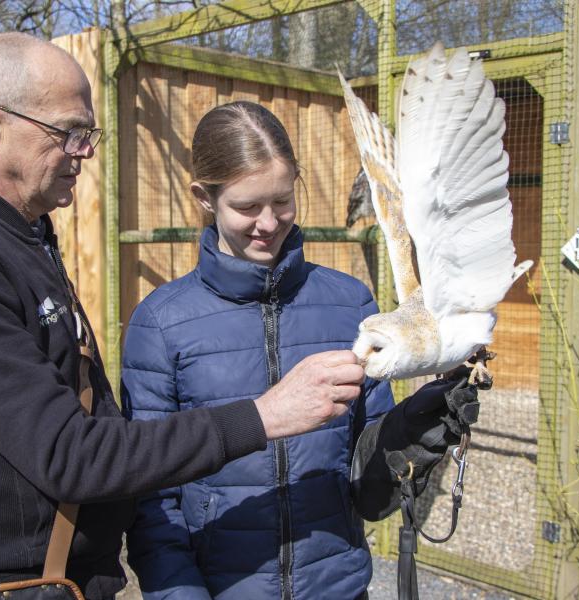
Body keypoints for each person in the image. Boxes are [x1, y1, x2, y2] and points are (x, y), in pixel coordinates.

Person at [0, 33, 365, 600]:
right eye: (67, 132)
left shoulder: (17, 240)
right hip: (8, 588)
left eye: (88, 133)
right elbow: (70, 454)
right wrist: (265, 415)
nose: (86, 151)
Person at [121, 101, 395, 600]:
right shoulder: (162, 322)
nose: (268, 223)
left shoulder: (350, 303)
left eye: (283, 201)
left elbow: (373, 479)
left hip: (336, 587)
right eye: (247, 206)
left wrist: (415, 434)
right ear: (205, 197)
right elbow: (150, 499)